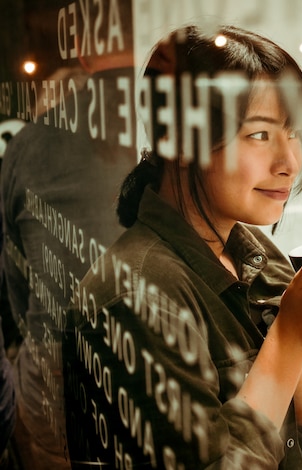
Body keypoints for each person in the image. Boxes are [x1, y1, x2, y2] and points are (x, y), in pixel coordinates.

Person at [63, 24, 302, 469]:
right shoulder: (136, 297)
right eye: (260, 135)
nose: (289, 162)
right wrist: (290, 337)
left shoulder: (250, 252)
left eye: (293, 133)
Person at [1, 4, 136, 468]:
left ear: (79, 48)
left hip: (52, 380)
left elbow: (16, 277)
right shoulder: (179, 129)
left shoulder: (29, 143)